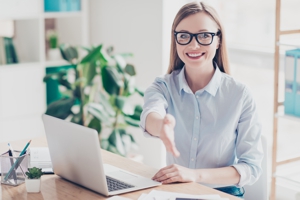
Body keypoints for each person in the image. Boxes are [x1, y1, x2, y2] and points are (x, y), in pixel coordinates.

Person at [139, 1, 263, 198]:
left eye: (204, 35)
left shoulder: (240, 95)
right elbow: (151, 114)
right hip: (176, 192)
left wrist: (194, 175)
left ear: (218, 40)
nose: (193, 45)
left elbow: (251, 167)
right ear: (176, 39)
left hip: (222, 194)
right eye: (184, 36)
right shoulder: (163, 86)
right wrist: (161, 126)